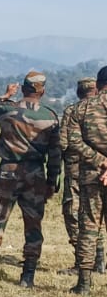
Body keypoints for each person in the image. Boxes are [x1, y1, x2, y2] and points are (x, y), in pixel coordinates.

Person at [0, 71, 61, 288]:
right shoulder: (50, 116)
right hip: (35, 174)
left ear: (23, 89)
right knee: (33, 225)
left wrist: (4, 96)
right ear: (43, 91)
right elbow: (55, 153)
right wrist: (52, 181)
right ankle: (28, 276)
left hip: (8, 171)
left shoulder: (7, 109)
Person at [66, 64, 107, 295]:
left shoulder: (80, 109)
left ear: (98, 85)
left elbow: (74, 142)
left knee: (89, 228)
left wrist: (100, 161)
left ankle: (83, 283)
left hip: (91, 176)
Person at [60, 77, 100, 269]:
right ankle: (100, 261)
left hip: (77, 171)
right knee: (98, 217)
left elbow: (63, 142)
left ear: (79, 92)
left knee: (77, 216)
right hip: (100, 171)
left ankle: (82, 263)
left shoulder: (73, 111)